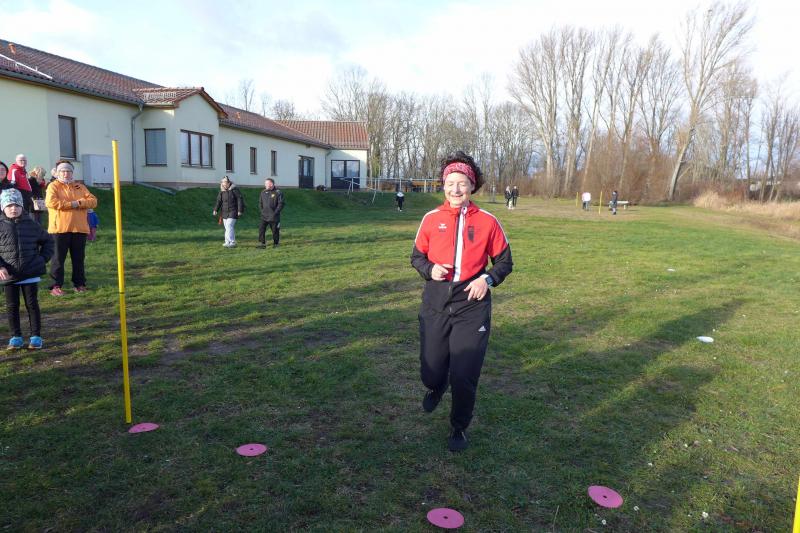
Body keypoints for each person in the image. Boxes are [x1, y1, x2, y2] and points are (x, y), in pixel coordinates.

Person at [410, 150, 513, 452]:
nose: (456, 190)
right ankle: (436, 385)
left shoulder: (488, 221)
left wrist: (487, 280)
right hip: (436, 301)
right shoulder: (431, 219)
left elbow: (505, 262)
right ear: (443, 186)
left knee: (464, 373)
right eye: (450, 183)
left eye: (462, 183)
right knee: (431, 369)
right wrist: (430, 269)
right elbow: (416, 257)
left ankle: (459, 427)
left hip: (472, 304)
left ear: (472, 186)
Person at [0, 189, 54, 350]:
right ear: (3, 207)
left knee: (32, 304)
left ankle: (36, 336)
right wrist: (1, 266)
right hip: (9, 275)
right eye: (9, 205)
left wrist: (42, 259)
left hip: (30, 273)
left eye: (16, 205)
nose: (13, 208)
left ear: (22, 207)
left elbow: (49, 241)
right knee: (12, 306)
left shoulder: (32, 224)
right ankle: (15, 337)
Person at [45, 161, 98, 296]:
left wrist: (78, 203)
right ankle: (55, 285)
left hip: (79, 228)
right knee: (58, 259)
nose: (66, 173)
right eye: (63, 171)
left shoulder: (80, 187)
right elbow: (51, 202)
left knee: (78, 259)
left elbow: (93, 201)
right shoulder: (53, 186)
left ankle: (79, 284)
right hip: (59, 229)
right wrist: (73, 205)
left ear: (72, 173)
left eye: (68, 171)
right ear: (58, 173)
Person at [213, 176, 243, 248]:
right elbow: (219, 201)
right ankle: (227, 242)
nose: (224, 184)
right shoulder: (222, 192)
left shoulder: (235, 190)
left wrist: (240, 210)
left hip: (233, 211)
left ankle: (232, 242)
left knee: (229, 226)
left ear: (229, 183)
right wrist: (215, 210)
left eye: (225, 182)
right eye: (222, 182)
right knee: (227, 227)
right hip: (224, 212)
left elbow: (239, 200)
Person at [258, 178, 284, 248]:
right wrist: (262, 211)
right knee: (261, 229)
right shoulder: (263, 192)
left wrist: (275, 212)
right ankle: (262, 244)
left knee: (275, 230)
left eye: (266, 184)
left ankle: (276, 244)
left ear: (271, 184)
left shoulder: (278, 192)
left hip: (274, 216)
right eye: (265, 184)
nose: (265, 185)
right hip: (264, 216)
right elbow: (260, 203)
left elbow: (281, 204)